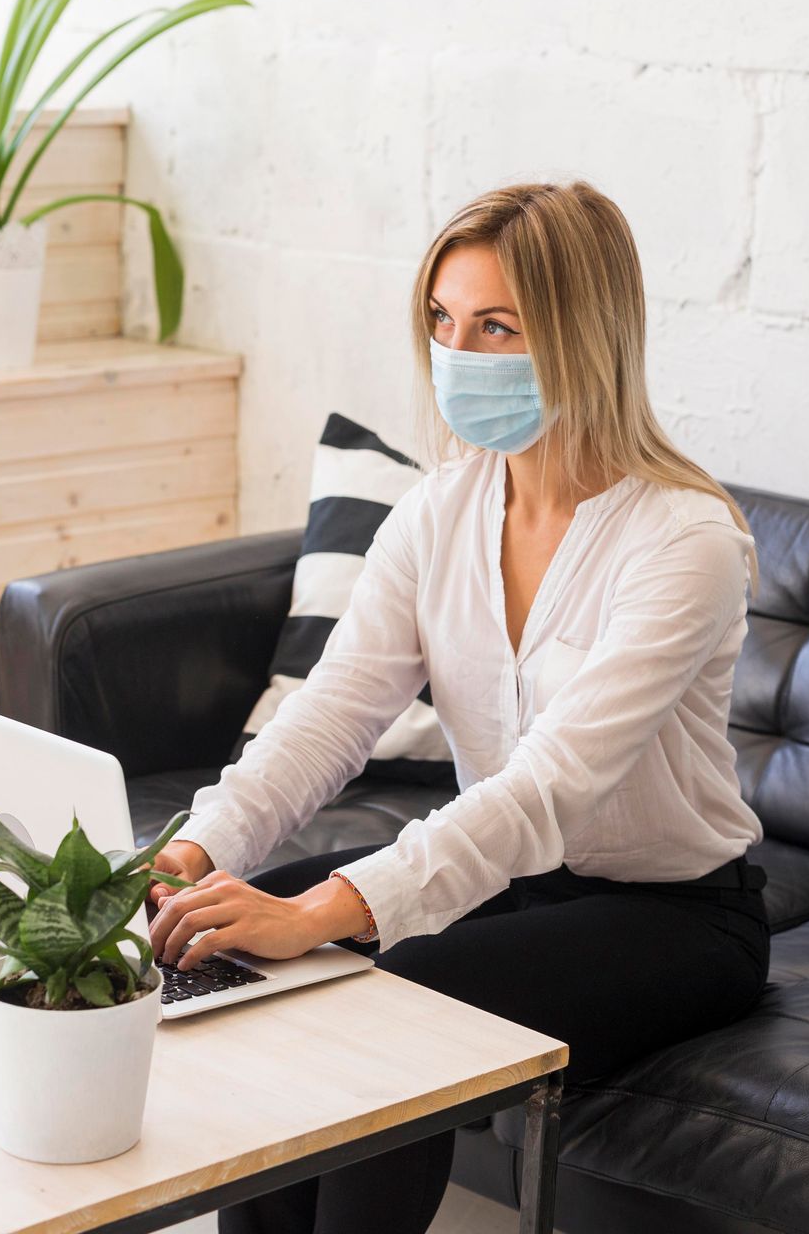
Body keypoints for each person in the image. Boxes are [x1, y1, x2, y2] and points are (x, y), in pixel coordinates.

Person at [145, 180, 771, 1233]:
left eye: (496, 326)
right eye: (443, 319)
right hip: (507, 882)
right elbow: (331, 713)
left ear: (581, 335)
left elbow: (544, 790)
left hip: (675, 914)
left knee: (397, 1006)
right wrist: (199, 849)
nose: (456, 353)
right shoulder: (440, 508)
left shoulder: (686, 541)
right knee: (231, 953)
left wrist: (322, 910)